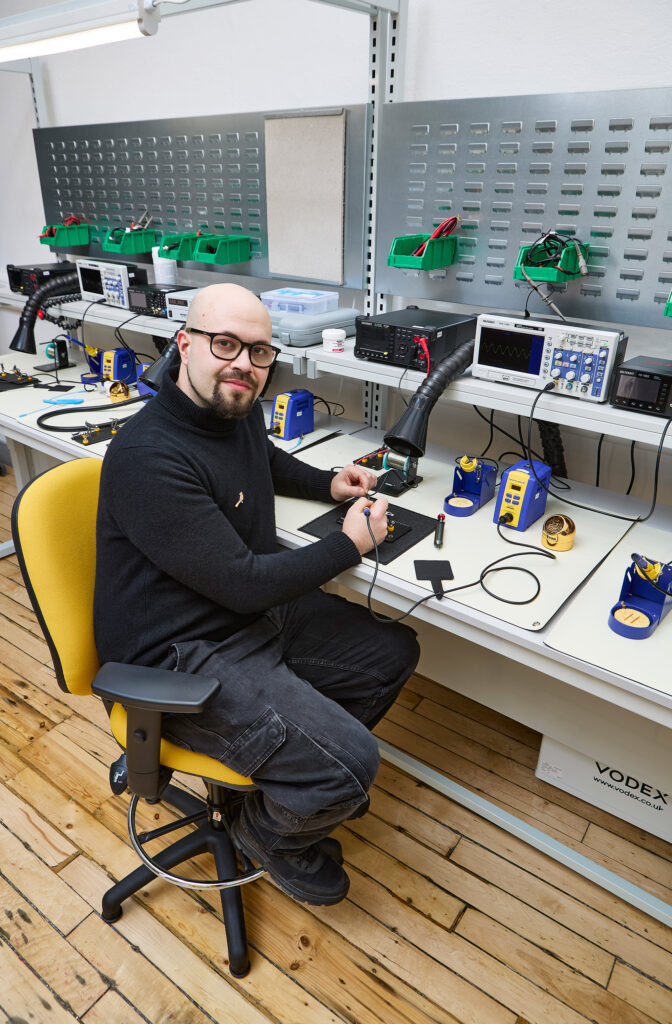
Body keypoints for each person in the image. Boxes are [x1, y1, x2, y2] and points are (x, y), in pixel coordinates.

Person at [94, 283, 420, 906]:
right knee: (353, 766)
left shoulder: (227, 409)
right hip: (183, 653)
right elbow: (245, 584)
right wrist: (349, 545)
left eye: (260, 351)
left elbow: (263, 459)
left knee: (391, 653)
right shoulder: (149, 455)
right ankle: (267, 834)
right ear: (183, 345)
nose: (244, 363)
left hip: (239, 616)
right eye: (225, 344)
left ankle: (288, 775)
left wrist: (330, 484)